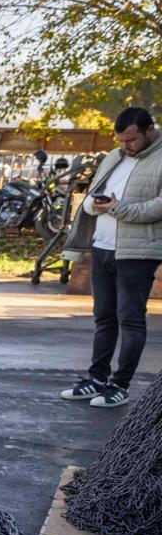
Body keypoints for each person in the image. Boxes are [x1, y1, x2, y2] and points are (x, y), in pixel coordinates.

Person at [58, 107, 162, 410]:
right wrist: (93, 204)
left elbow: (157, 208)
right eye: (120, 141)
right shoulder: (114, 157)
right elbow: (95, 193)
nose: (124, 146)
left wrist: (116, 208)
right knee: (103, 317)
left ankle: (120, 385)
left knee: (130, 318)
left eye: (130, 140)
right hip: (103, 246)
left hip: (138, 251)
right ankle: (96, 379)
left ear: (149, 131)